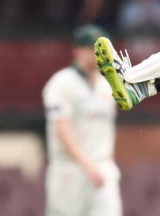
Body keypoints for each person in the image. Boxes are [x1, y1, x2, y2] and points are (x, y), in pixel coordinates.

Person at [42, 24, 122, 216]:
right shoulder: (61, 83)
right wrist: (87, 166)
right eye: (90, 49)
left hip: (103, 169)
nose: (96, 55)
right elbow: (61, 129)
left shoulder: (108, 86)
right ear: (76, 50)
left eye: (100, 50)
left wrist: (104, 166)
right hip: (69, 169)